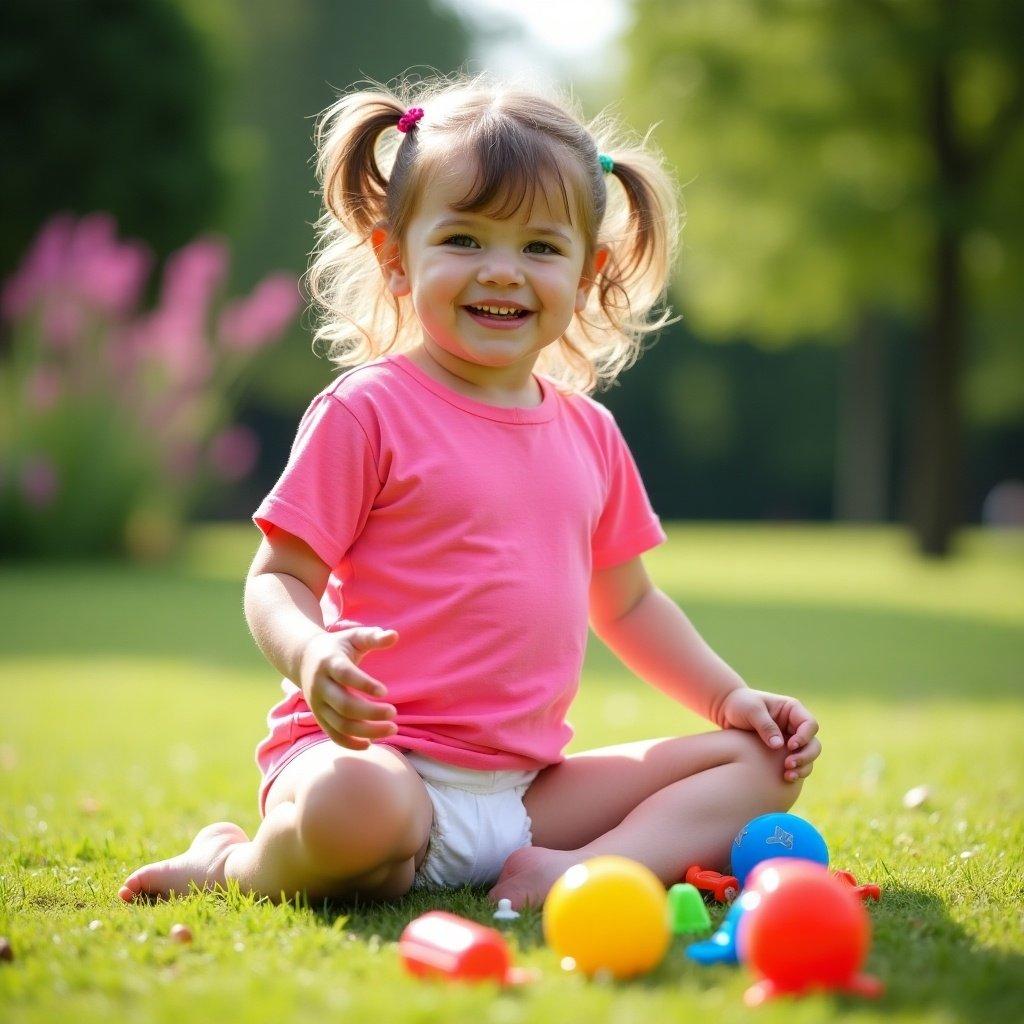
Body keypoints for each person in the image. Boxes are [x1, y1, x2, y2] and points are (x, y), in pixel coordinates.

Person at [119, 72, 820, 911]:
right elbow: (279, 578)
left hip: (525, 795)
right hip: (372, 761)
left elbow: (628, 606)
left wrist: (728, 696)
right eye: (464, 240)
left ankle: (584, 869)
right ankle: (230, 863)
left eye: (539, 247)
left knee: (760, 761)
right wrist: (314, 657)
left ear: (588, 271)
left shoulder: (589, 434)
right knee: (364, 820)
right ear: (396, 259)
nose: (502, 272)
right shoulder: (368, 410)